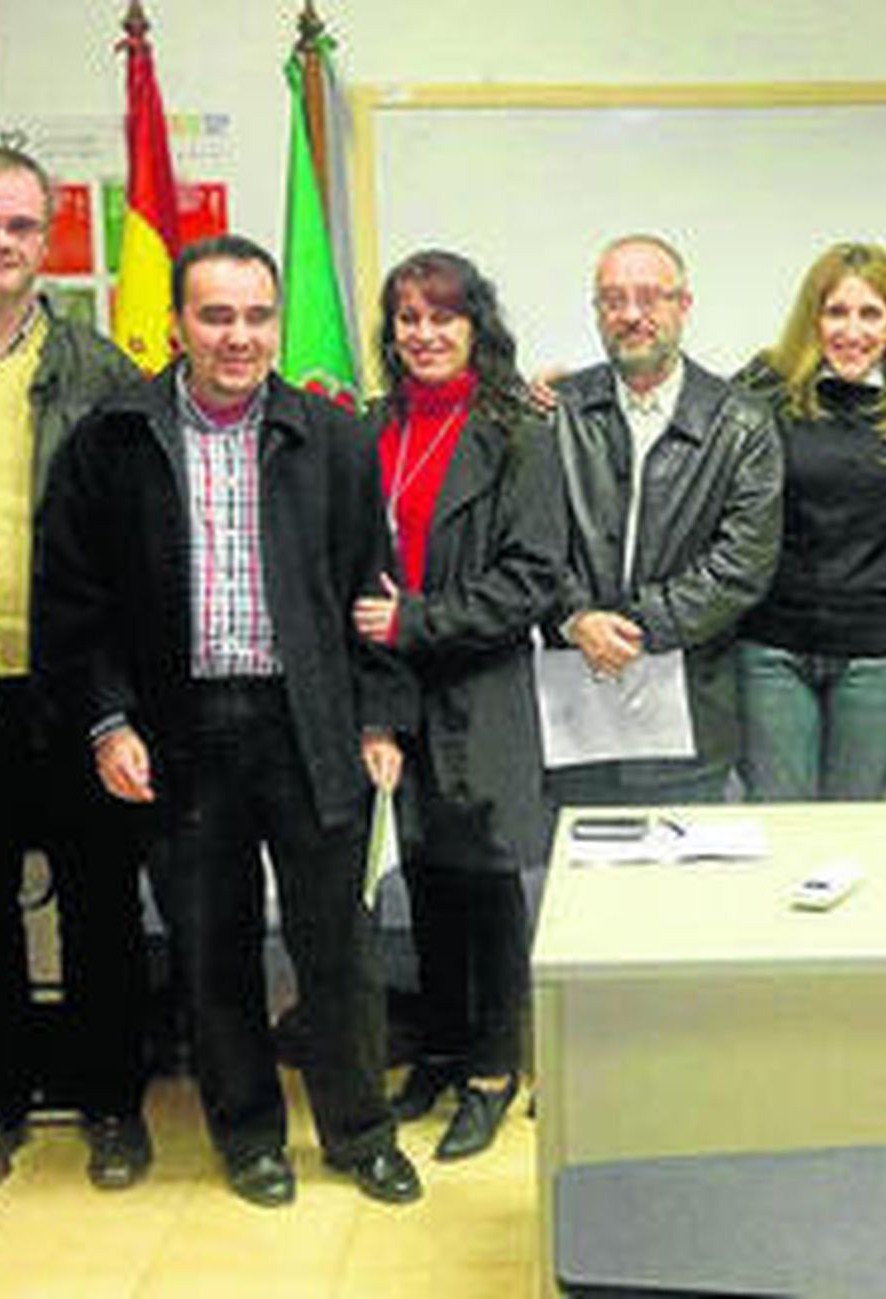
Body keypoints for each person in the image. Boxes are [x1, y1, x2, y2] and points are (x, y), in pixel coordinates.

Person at [38, 234, 421, 1207]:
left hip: (312, 724)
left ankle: (358, 1134)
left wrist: (378, 717)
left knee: (336, 944)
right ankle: (249, 1138)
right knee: (213, 948)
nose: (238, 337)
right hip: (182, 731)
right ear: (176, 325)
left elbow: (369, 594)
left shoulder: (331, 440)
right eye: (215, 316)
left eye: (256, 316)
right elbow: (74, 604)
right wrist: (107, 722)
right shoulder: (112, 440)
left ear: (275, 322)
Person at [0, 146, 148, 1198]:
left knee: (103, 909)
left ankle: (112, 1107)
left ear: (47, 236)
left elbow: (135, 541)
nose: (3, 243)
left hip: (77, 687)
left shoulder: (100, 368)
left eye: (22, 226)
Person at [350, 250, 565, 1158]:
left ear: (475, 325)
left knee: (484, 877)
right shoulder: (367, 428)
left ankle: (491, 1065)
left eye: (443, 316)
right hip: (395, 689)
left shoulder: (518, 430)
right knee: (425, 876)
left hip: (480, 684)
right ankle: (437, 1050)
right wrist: (381, 687)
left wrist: (417, 619)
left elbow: (530, 580)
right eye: (408, 317)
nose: (425, 334)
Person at [546, 233, 782, 806]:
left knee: (684, 883)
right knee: (583, 882)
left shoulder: (742, 424)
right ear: (596, 311)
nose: (632, 315)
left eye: (651, 297)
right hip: (575, 709)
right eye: (613, 299)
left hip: (691, 712)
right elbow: (529, 541)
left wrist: (625, 627)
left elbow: (740, 565)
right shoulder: (555, 413)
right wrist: (574, 618)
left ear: (684, 305)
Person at [732, 243, 886, 802]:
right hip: (772, 650)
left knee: (852, 830)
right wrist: (573, 390)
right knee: (781, 822)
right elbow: (677, 407)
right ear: (812, 318)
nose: (852, 330)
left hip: (875, 656)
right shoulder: (762, 391)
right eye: (836, 312)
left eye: (871, 314)